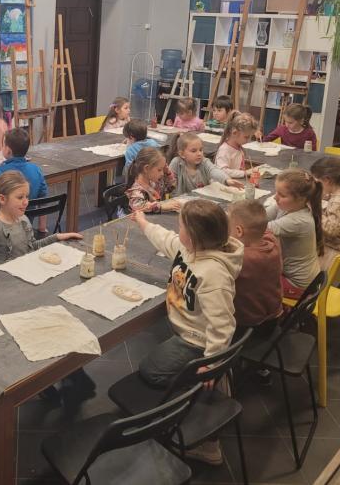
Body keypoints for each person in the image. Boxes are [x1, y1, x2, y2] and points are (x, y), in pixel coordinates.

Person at [131, 200, 243, 465]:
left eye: (180, 226)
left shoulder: (214, 274)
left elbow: (223, 325)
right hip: (186, 330)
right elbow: (166, 240)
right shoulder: (191, 249)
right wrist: (143, 222)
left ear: (193, 235)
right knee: (158, 358)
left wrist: (212, 363)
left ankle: (201, 400)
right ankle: (209, 379)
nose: (177, 230)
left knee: (150, 370)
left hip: (197, 341)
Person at [0, 171, 82, 271]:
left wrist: (57, 237)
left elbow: (33, 246)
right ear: (2, 199)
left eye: (26, 196)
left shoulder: (23, 219)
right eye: (20, 197)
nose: (26, 202)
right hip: (8, 284)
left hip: (25, 273)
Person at [265, 169, 323, 300]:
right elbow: (261, 216)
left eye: (282, 195)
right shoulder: (287, 207)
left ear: (301, 199)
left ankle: (279, 311)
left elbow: (258, 228)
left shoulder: (299, 220)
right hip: (302, 278)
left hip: (299, 286)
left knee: (252, 282)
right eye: (276, 192)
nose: (275, 197)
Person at [227, 200, 283, 332]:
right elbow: (263, 229)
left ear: (239, 231)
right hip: (274, 315)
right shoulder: (272, 242)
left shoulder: (241, 259)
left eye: (228, 228)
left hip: (250, 326)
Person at [0, 127, 49, 232]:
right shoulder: (36, 169)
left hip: (5, 230)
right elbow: (43, 199)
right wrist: (42, 227)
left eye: (3, 145)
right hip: (28, 227)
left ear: (8, 150)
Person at [168, 132, 242, 195]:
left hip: (200, 201)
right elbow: (170, 184)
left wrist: (226, 180)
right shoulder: (176, 163)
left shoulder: (204, 162)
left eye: (200, 150)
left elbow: (214, 170)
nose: (199, 154)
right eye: (194, 151)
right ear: (182, 154)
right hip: (180, 201)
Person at [125, 146, 178, 214]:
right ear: (146, 168)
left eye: (162, 169)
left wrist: (168, 172)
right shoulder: (136, 190)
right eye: (159, 170)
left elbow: (171, 187)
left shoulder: (154, 182)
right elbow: (139, 206)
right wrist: (161, 207)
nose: (162, 173)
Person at [215, 112, 258, 179]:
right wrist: (245, 173)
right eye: (246, 137)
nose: (248, 140)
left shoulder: (239, 148)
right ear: (235, 133)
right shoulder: (224, 150)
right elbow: (222, 171)